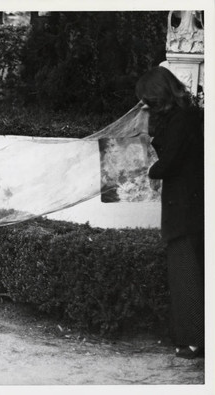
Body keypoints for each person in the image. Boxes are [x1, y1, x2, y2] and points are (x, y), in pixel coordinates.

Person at [136, 66, 204, 359]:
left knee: (186, 274)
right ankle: (190, 336)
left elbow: (169, 162)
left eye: (149, 100)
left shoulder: (182, 120)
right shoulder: (183, 115)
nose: (147, 105)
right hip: (187, 205)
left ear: (160, 94)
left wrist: (141, 170)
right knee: (185, 273)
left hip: (187, 209)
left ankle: (195, 340)